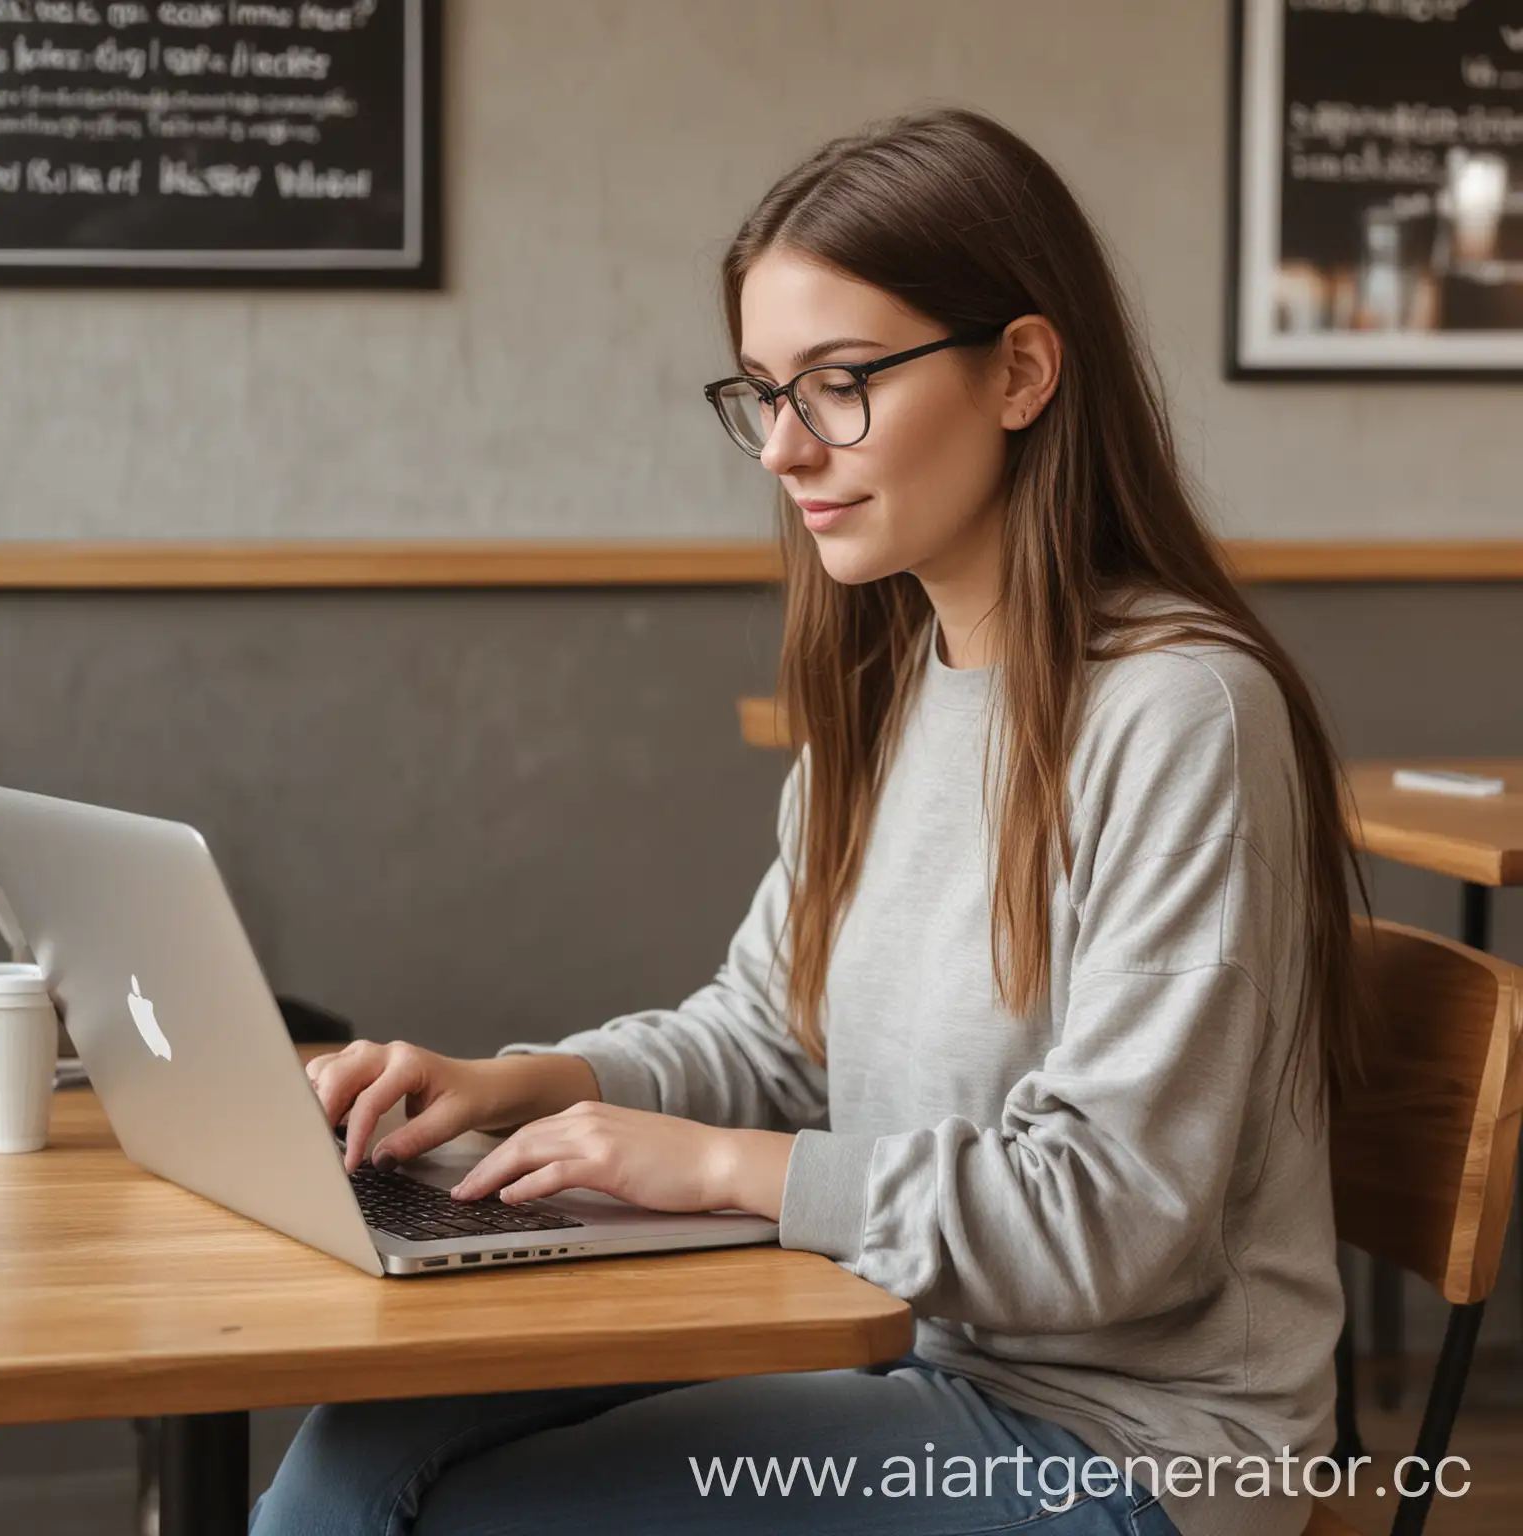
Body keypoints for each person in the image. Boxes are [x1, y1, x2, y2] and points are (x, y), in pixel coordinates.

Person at [250, 107, 1371, 1536]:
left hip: (1132, 1444)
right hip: (902, 1338)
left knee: (468, 1515)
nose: (783, 449)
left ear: (1022, 371)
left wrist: (721, 1169)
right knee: (361, 1449)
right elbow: (772, 1039)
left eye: (838, 385)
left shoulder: (1182, 716)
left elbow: (1116, 1220)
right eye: (763, 393)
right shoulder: (895, 689)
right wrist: (526, 1086)